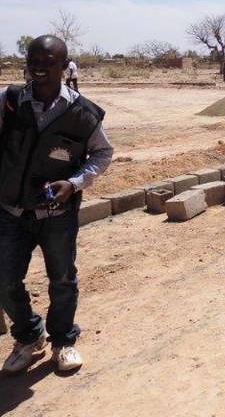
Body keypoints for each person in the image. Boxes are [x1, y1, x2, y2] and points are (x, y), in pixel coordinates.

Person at [0, 35, 113, 373]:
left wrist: (75, 182)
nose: (38, 66)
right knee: (5, 280)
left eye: (48, 60)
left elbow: (103, 153)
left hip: (57, 214)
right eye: (33, 59)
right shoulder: (9, 102)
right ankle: (29, 336)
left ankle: (63, 341)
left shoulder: (84, 113)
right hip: (10, 211)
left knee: (62, 279)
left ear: (65, 66)